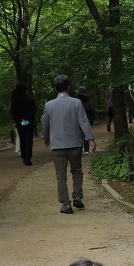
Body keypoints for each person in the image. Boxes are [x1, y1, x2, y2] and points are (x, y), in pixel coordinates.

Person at [40, 75, 95, 214]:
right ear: (68, 88)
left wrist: (46, 137)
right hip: (74, 143)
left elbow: (45, 123)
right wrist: (90, 138)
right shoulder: (76, 103)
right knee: (77, 170)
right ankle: (77, 196)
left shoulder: (49, 105)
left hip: (57, 145)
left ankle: (66, 204)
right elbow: (83, 121)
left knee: (60, 175)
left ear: (55, 89)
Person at [9, 83, 37, 166]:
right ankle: (28, 157)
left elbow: (13, 112)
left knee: (22, 139)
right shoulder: (30, 100)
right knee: (29, 140)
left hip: (20, 123)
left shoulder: (14, 101)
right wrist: (27, 119)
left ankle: (24, 156)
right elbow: (33, 111)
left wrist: (20, 120)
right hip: (29, 122)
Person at [74, 86, 96, 154]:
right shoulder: (87, 100)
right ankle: (86, 150)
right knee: (86, 133)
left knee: (78, 134)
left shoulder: (75, 101)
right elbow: (92, 111)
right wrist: (91, 120)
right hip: (87, 118)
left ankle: (79, 148)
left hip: (77, 119)